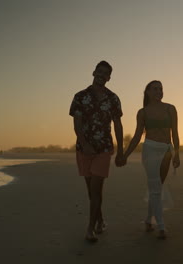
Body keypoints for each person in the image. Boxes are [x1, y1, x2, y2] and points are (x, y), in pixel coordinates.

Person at [69, 60, 124, 242]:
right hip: (84, 149)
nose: (101, 75)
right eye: (98, 72)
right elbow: (77, 123)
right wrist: (84, 144)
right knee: (90, 191)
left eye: (105, 73)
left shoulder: (113, 99)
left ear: (109, 78)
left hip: (103, 149)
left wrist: (121, 149)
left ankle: (90, 229)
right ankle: (100, 220)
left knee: (96, 189)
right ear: (93, 73)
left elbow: (117, 124)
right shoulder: (80, 96)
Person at [121, 80, 180, 239]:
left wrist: (177, 154)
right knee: (155, 187)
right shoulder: (143, 112)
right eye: (155, 89)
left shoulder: (170, 108)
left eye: (161, 89)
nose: (159, 92)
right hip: (150, 150)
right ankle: (161, 226)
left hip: (167, 151)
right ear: (147, 92)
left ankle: (148, 220)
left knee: (157, 187)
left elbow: (174, 132)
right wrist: (125, 155)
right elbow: (136, 137)